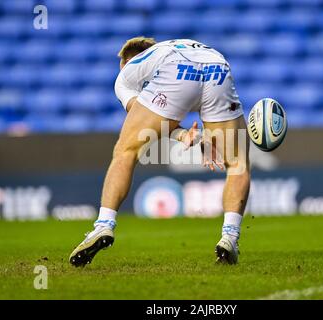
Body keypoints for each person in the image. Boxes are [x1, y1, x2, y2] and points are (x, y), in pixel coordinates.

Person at [69, 37, 250, 266]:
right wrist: (187, 135)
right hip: (218, 65)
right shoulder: (172, 47)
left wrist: (180, 134)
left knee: (126, 150)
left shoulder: (127, 73)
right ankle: (230, 237)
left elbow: (145, 122)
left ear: (125, 62)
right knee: (238, 162)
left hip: (175, 68)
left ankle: (103, 225)